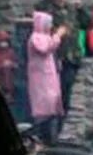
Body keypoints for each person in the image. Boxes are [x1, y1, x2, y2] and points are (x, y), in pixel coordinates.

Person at [26, 10, 68, 140]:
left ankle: (50, 136)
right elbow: (45, 48)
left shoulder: (45, 36)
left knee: (52, 104)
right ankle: (40, 135)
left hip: (48, 76)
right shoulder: (36, 37)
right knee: (43, 105)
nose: (50, 26)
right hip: (40, 77)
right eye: (48, 23)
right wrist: (58, 36)